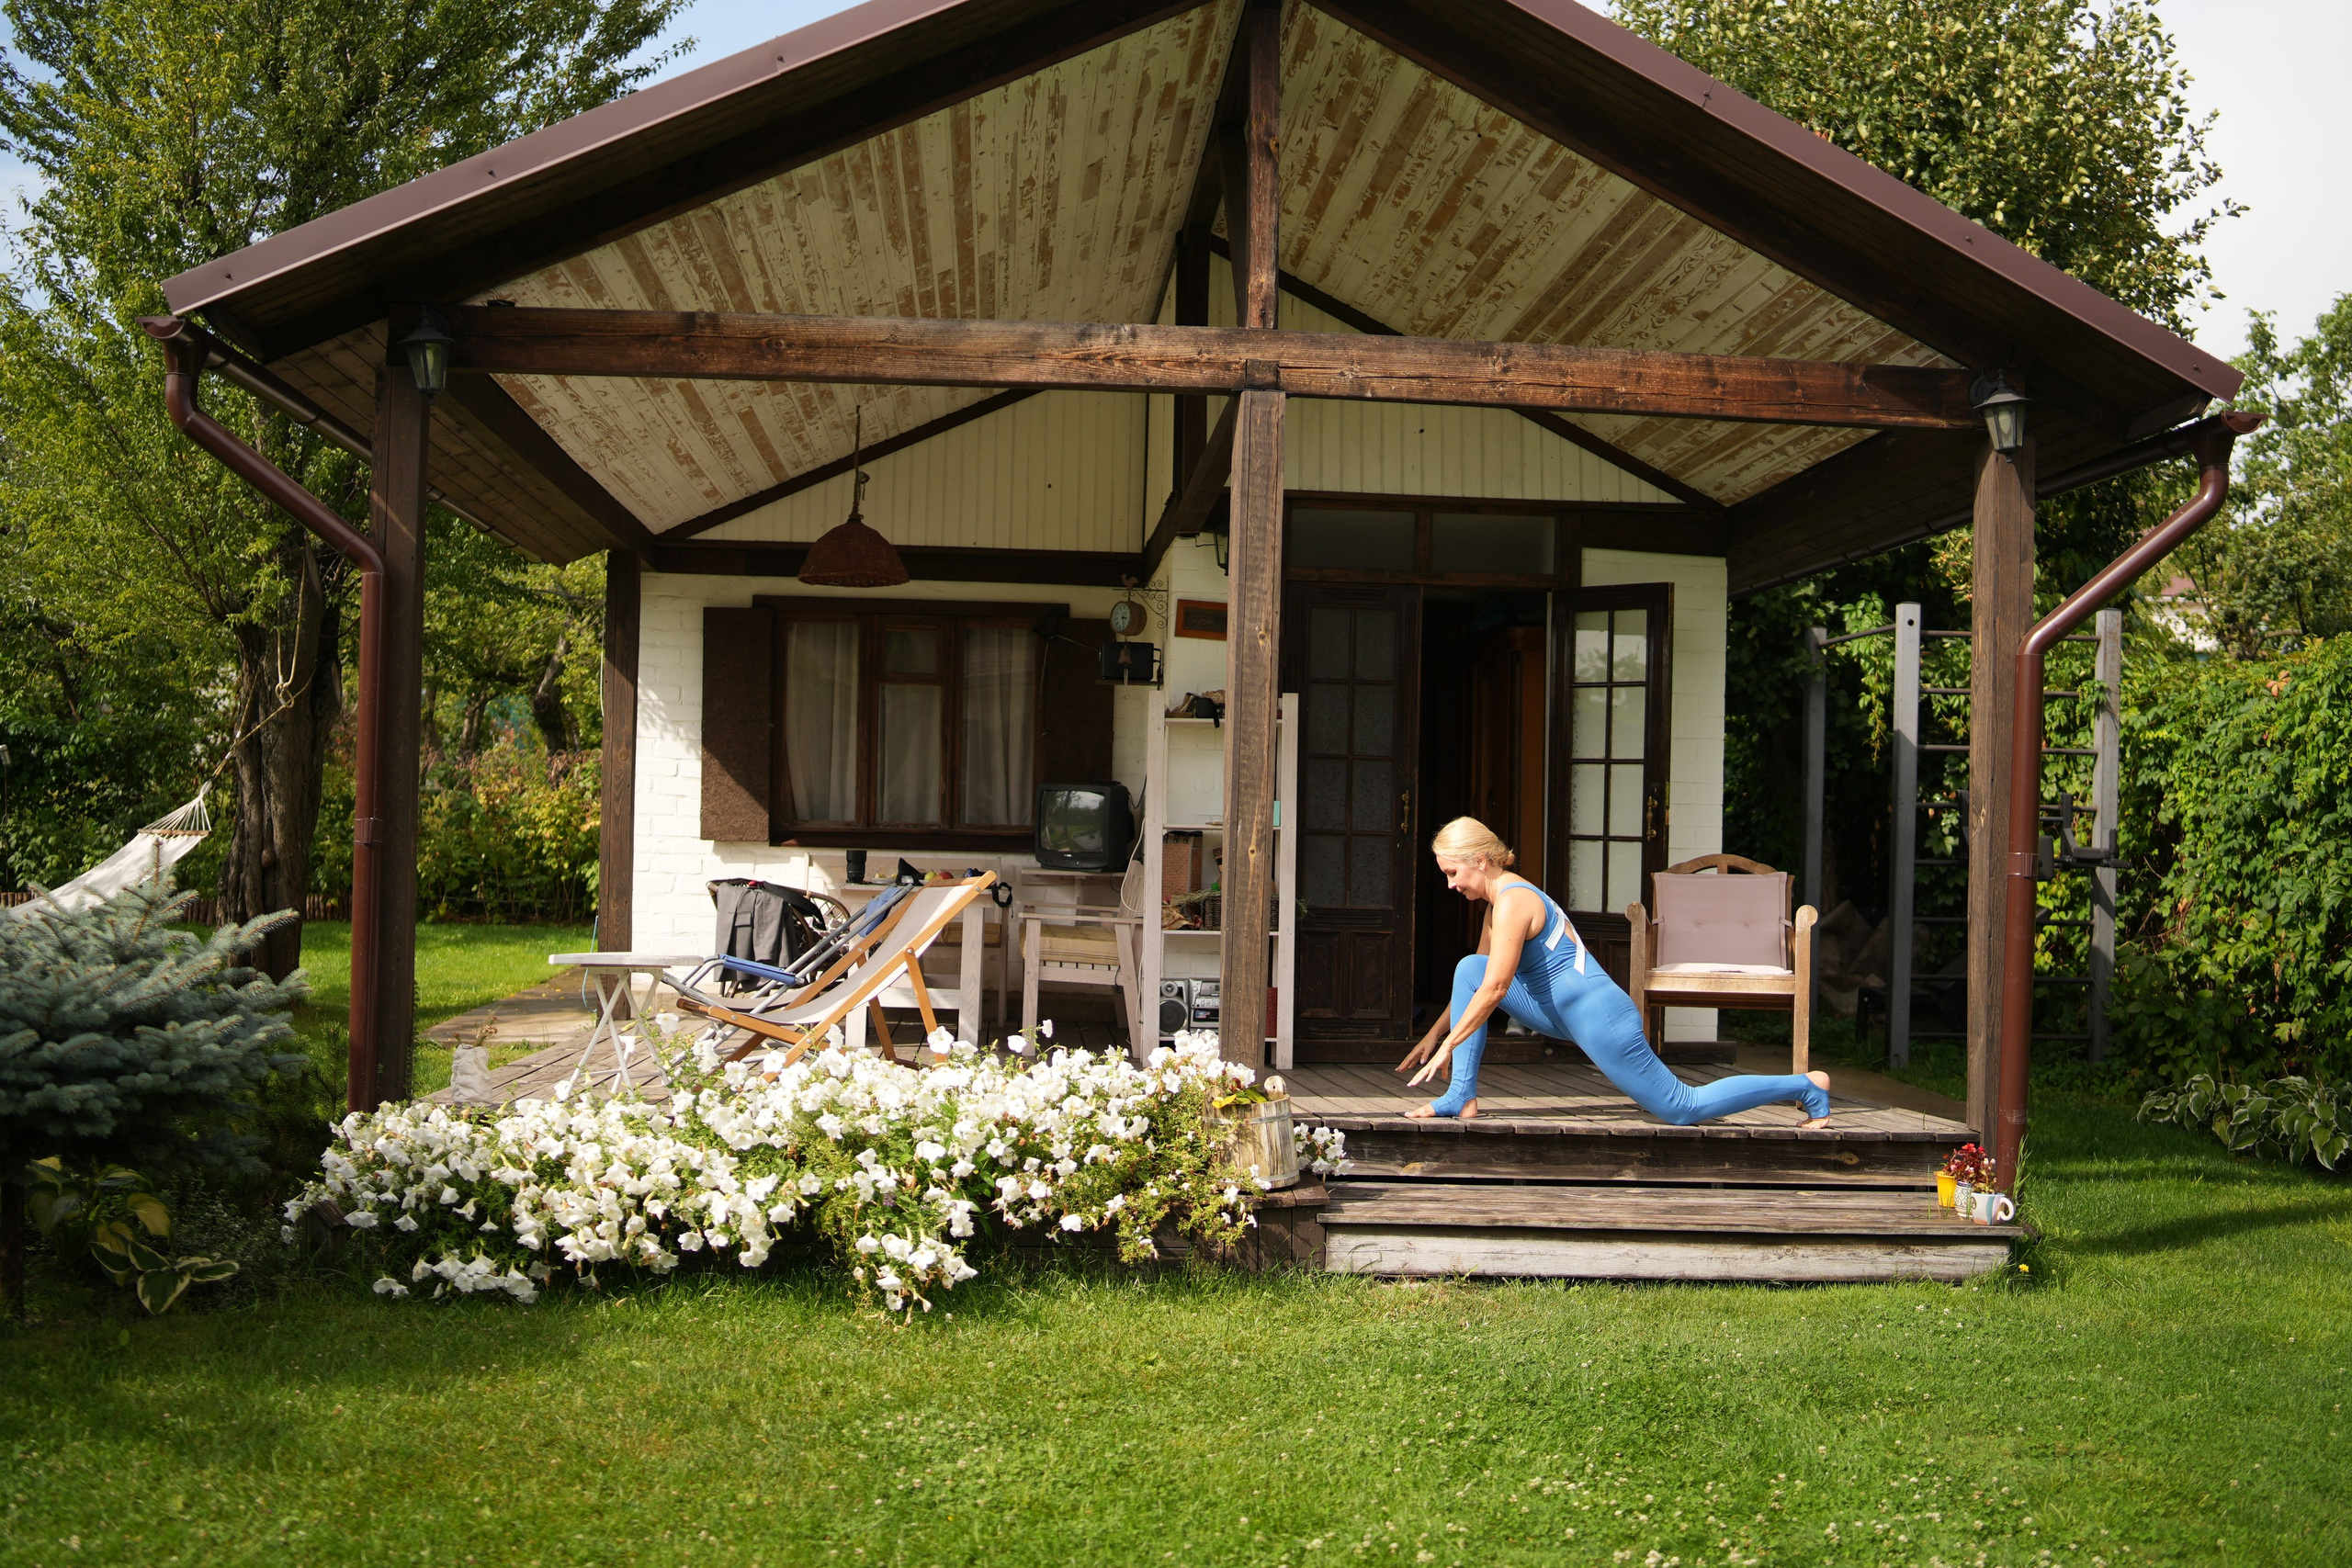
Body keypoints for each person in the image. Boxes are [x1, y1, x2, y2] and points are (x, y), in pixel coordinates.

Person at [1396, 817, 1831, 1127]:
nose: (1451, 884)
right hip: (1558, 1012)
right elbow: (1478, 980)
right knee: (1470, 965)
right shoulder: (1496, 906)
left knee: (1682, 1107)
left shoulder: (1515, 900)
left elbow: (1495, 989)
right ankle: (1460, 1096)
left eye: (1453, 873)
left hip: (1600, 1016)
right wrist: (1435, 1036)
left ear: (1480, 859)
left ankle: (1807, 1085)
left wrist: (1448, 1046)